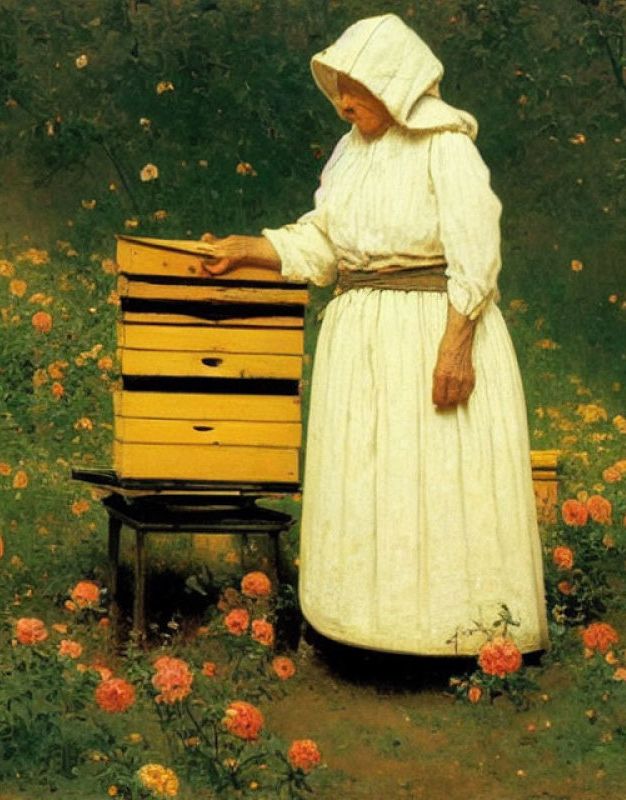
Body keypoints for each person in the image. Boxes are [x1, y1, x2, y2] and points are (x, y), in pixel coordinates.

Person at [203, 13, 549, 656]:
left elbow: (476, 251)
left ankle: (456, 637)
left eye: (355, 89)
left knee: (437, 480)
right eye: (339, 88)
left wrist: (456, 345)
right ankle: (364, 632)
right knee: (371, 481)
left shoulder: (447, 146)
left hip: (428, 334)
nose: (343, 104)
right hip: (362, 343)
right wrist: (248, 250)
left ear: (392, 85)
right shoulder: (351, 155)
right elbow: (326, 243)